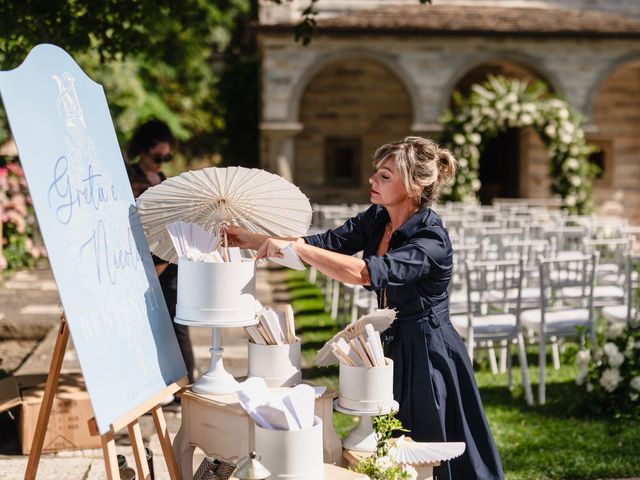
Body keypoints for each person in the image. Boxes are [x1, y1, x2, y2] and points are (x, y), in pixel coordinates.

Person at [225, 136, 504, 479]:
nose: (372, 180)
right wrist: (253, 239)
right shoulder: (378, 218)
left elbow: (364, 274)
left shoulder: (431, 240)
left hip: (429, 352)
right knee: (385, 444)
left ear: (416, 185)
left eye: (385, 176)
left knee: (430, 450)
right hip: (388, 345)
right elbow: (326, 243)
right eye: (376, 173)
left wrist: (296, 248)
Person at [126, 119, 196, 384]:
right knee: (147, 326)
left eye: (167, 157)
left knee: (178, 324)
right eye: (157, 156)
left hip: (170, 257)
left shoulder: (164, 180)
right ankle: (154, 381)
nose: (161, 163)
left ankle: (184, 384)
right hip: (142, 258)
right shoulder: (129, 177)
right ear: (143, 150)